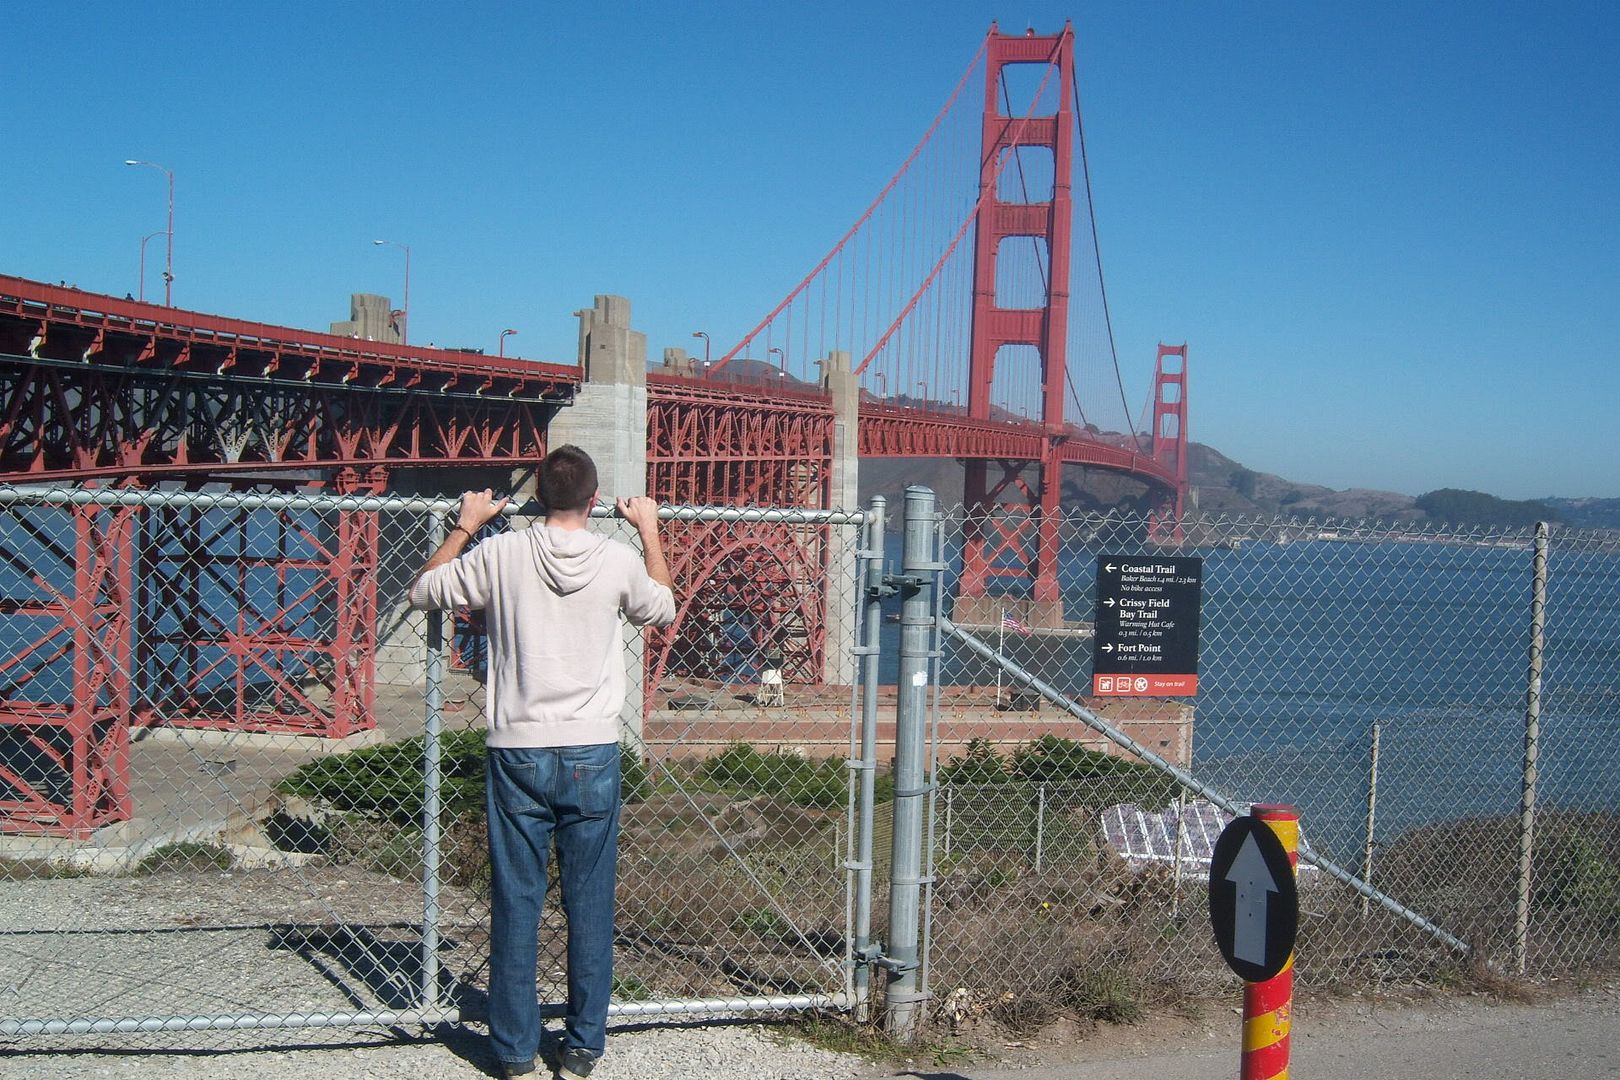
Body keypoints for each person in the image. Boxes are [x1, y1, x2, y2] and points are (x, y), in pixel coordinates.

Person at [409, 445, 675, 1080]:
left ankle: (512, 1051)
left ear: (535, 498)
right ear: (594, 500)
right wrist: (648, 530)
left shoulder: (500, 553)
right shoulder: (616, 559)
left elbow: (423, 591)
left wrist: (466, 525)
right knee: (590, 905)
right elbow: (661, 607)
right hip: (592, 751)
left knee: (516, 902)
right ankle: (582, 1047)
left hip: (517, 750)